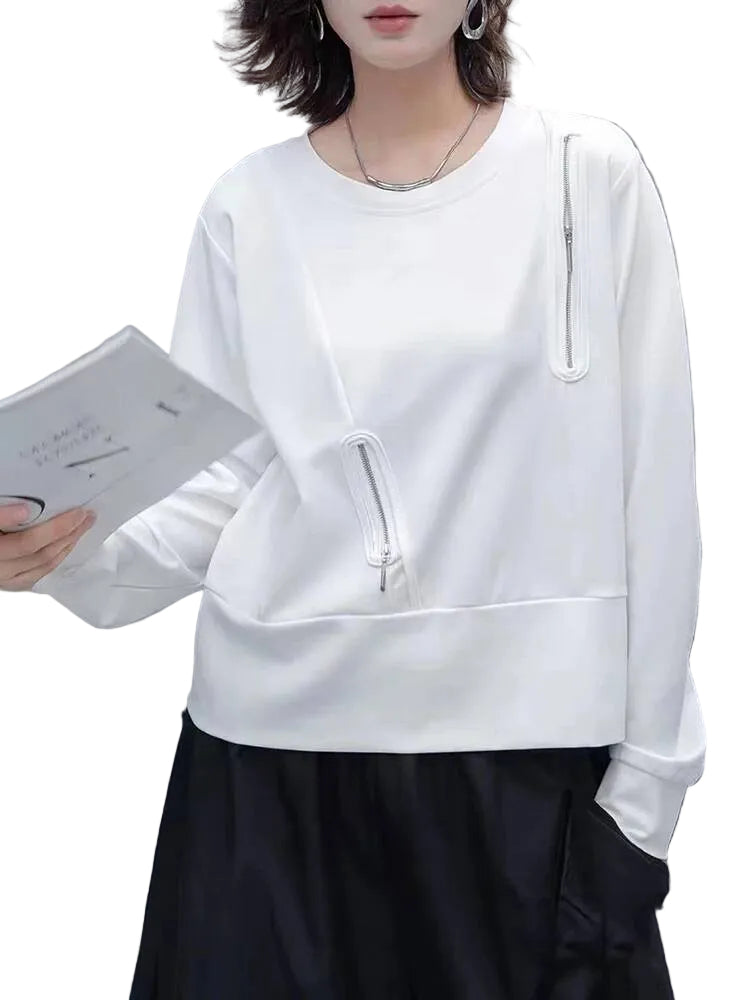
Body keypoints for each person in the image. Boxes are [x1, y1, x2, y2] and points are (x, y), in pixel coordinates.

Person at [0, 2, 704, 996]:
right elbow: (226, 487)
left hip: (526, 778)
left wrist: (647, 794)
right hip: (269, 775)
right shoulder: (250, 205)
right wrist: (63, 549)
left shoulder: (586, 175)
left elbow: (658, 495)